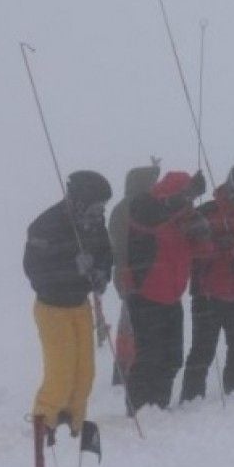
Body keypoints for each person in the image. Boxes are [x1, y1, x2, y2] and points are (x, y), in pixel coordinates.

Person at [24, 170, 113, 440]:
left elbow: (106, 254)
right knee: (61, 371)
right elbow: (35, 273)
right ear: (78, 201)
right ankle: (44, 421)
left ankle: (74, 419)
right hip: (52, 308)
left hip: (79, 305)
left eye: (102, 207)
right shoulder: (45, 225)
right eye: (95, 206)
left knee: (85, 371)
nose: (99, 213)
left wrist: (99, 274)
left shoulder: (95, 224)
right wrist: (72, 268)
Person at [125, 170, 208, 412]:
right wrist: (182, 201)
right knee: (148, 358)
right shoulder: (145, 206)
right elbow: (153, 217)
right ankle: (139, 409)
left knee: (172, 359)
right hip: (145, 296)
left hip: (172, 297)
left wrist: (202, 234)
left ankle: (159, 405)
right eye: (185, 195)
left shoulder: (182, 215)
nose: (189, 202)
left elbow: (201, 252)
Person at [181, 164, 234, 401]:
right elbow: (191, 250)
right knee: (203, 352)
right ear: (233, 191)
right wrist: (217, 245)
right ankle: (191, 400)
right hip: (207, 294)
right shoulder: (207, 212)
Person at [107, 161, 160, 386]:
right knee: (132, 323)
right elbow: (123, 246)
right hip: (133, 273)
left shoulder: (123, 208)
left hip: (129, 273)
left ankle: (126, 366)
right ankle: (126, 368)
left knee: (129, 321)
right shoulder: (133, 209)